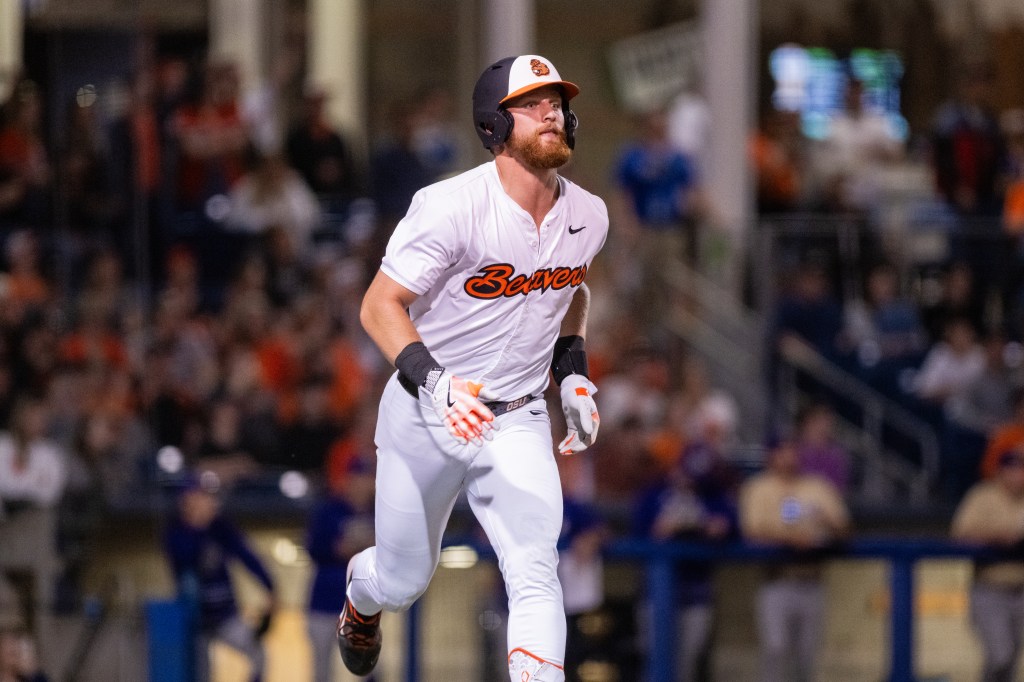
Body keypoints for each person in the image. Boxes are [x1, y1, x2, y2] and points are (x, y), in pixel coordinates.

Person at [339, 54, 607, 682]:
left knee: (536, 567)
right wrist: (438, 385)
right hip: (425, 410)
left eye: (556, 102)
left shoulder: (588, 215)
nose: (552, 112)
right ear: (494, 126)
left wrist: (571, 373)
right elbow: (379, 306)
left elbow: (570, 293)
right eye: (532, 103)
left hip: (515, 417)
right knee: (404, 580)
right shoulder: (448, 205)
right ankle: (364, 592)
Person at [739, 436, 850, 682]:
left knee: (807, 657)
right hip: (776, 579)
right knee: (775, 649)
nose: (789, 456)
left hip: (813, 578)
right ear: (771, 456)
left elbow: (844, 528)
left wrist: (827, 525)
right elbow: (751, 531)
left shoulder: (817, 487)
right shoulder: (759, 487)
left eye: (792, 450)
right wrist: (789, 539)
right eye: (783, 451)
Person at [163, 475, 276, 682]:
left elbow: (245, 555)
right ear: (186, 501)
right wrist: (198, 525)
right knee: (201, 673)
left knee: (259, 654)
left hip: (225, 614)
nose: (207, 501)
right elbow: (185, 558)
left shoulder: (220, 526)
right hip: (195, 617)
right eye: (200, 496)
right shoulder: (175, 530)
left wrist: (268, 585)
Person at [951, 445, 1024, 682]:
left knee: (1012, 658)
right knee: (999, 655)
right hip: (990, 587)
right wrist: (1002, 536)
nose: (1019, 474)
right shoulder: (983, 496)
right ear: (1001, 471)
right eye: (1013, 468)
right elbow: (961, 533)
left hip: (1021, 589)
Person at [305, 457, 375, 682]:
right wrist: (344, 548)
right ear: (349, 480)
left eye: (369, 478)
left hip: (359, 608)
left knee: (369, 670)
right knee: (322, 673)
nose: (365, 483)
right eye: (361, 477)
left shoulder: (378, 512)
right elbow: (314, 547)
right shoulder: (329, 509)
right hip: (323, 604)